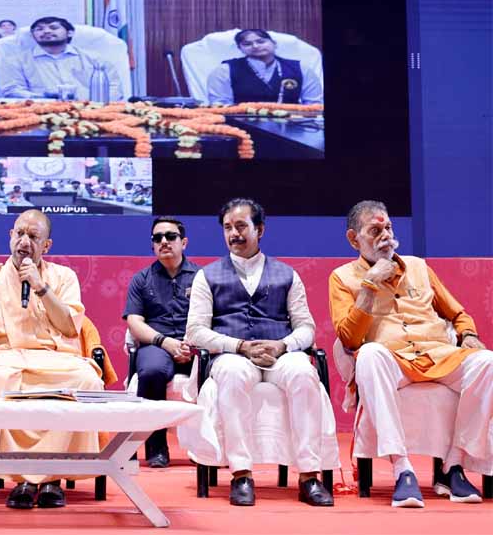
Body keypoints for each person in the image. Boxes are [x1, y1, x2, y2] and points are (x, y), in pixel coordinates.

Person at [329, 200, 493, 507]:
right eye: (374, 231)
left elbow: (458, 315)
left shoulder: (418, 267)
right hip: (394, 362)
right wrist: (370, 283)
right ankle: (402, 468)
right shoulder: (342, 278)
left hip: (438, 356)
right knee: (369, 354)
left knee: (488, 362)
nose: (385, 236)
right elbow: (349, 338)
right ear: (354, 239)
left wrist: (469, 335)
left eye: (388, 228)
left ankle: (453, 466)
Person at [185, 198, 334, 507]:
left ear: (260, 230)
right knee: (232, 373)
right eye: (228, 228)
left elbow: (306, 327)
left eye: (241, 226)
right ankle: (241, 474)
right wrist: (239, 346)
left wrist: (283, 346)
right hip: (233, 354)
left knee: (304, 373)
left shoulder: (288, 275)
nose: (234, 234)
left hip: (279, 353)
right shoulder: (206, 276)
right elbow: (195, 331)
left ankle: (309, 475)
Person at [0, 210, 104, 509]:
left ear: (47, 245)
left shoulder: (64, 277)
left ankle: (53, 477)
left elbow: (70, 327)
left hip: (58, 360)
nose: (24, 242)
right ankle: (21, 478)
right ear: (10, 237)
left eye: (33, 236)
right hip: (9, 357)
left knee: (87, 380)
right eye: (20, 234)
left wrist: (40, 287)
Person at [123, 216, 199, 468]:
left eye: (170, 236)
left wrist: (191, 345)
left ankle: (207, 449)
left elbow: (212, 318)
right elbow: (134, 322)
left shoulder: (202, 278)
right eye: (158, 238)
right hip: (157, 346)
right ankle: (156, 448)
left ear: (183, 242)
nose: (164, 241)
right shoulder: (141, 279)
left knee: (220, 370)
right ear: (153, 245)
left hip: (195, 346)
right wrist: (165, 342)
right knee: (151, 370)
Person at [0, 16, 121, 100]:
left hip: (91, 112)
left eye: (54, 28)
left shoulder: (95, 59)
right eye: (39, 29)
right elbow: (12, 91)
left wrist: (87, 103)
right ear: (33, 35)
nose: (46, 31)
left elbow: (114, 89)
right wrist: (44, 99)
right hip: (38, 114)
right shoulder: (15, 61)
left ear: (70, 33)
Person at [205, 29, 323, 106]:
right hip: (242, 127)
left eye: (261, 41)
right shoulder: (224, 70)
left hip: (294, 127)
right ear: (240, 49)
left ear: (274, 44)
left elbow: (314, 105)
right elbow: (220, 106)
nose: (255, 46)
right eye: (247, 44)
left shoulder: (301, 69)